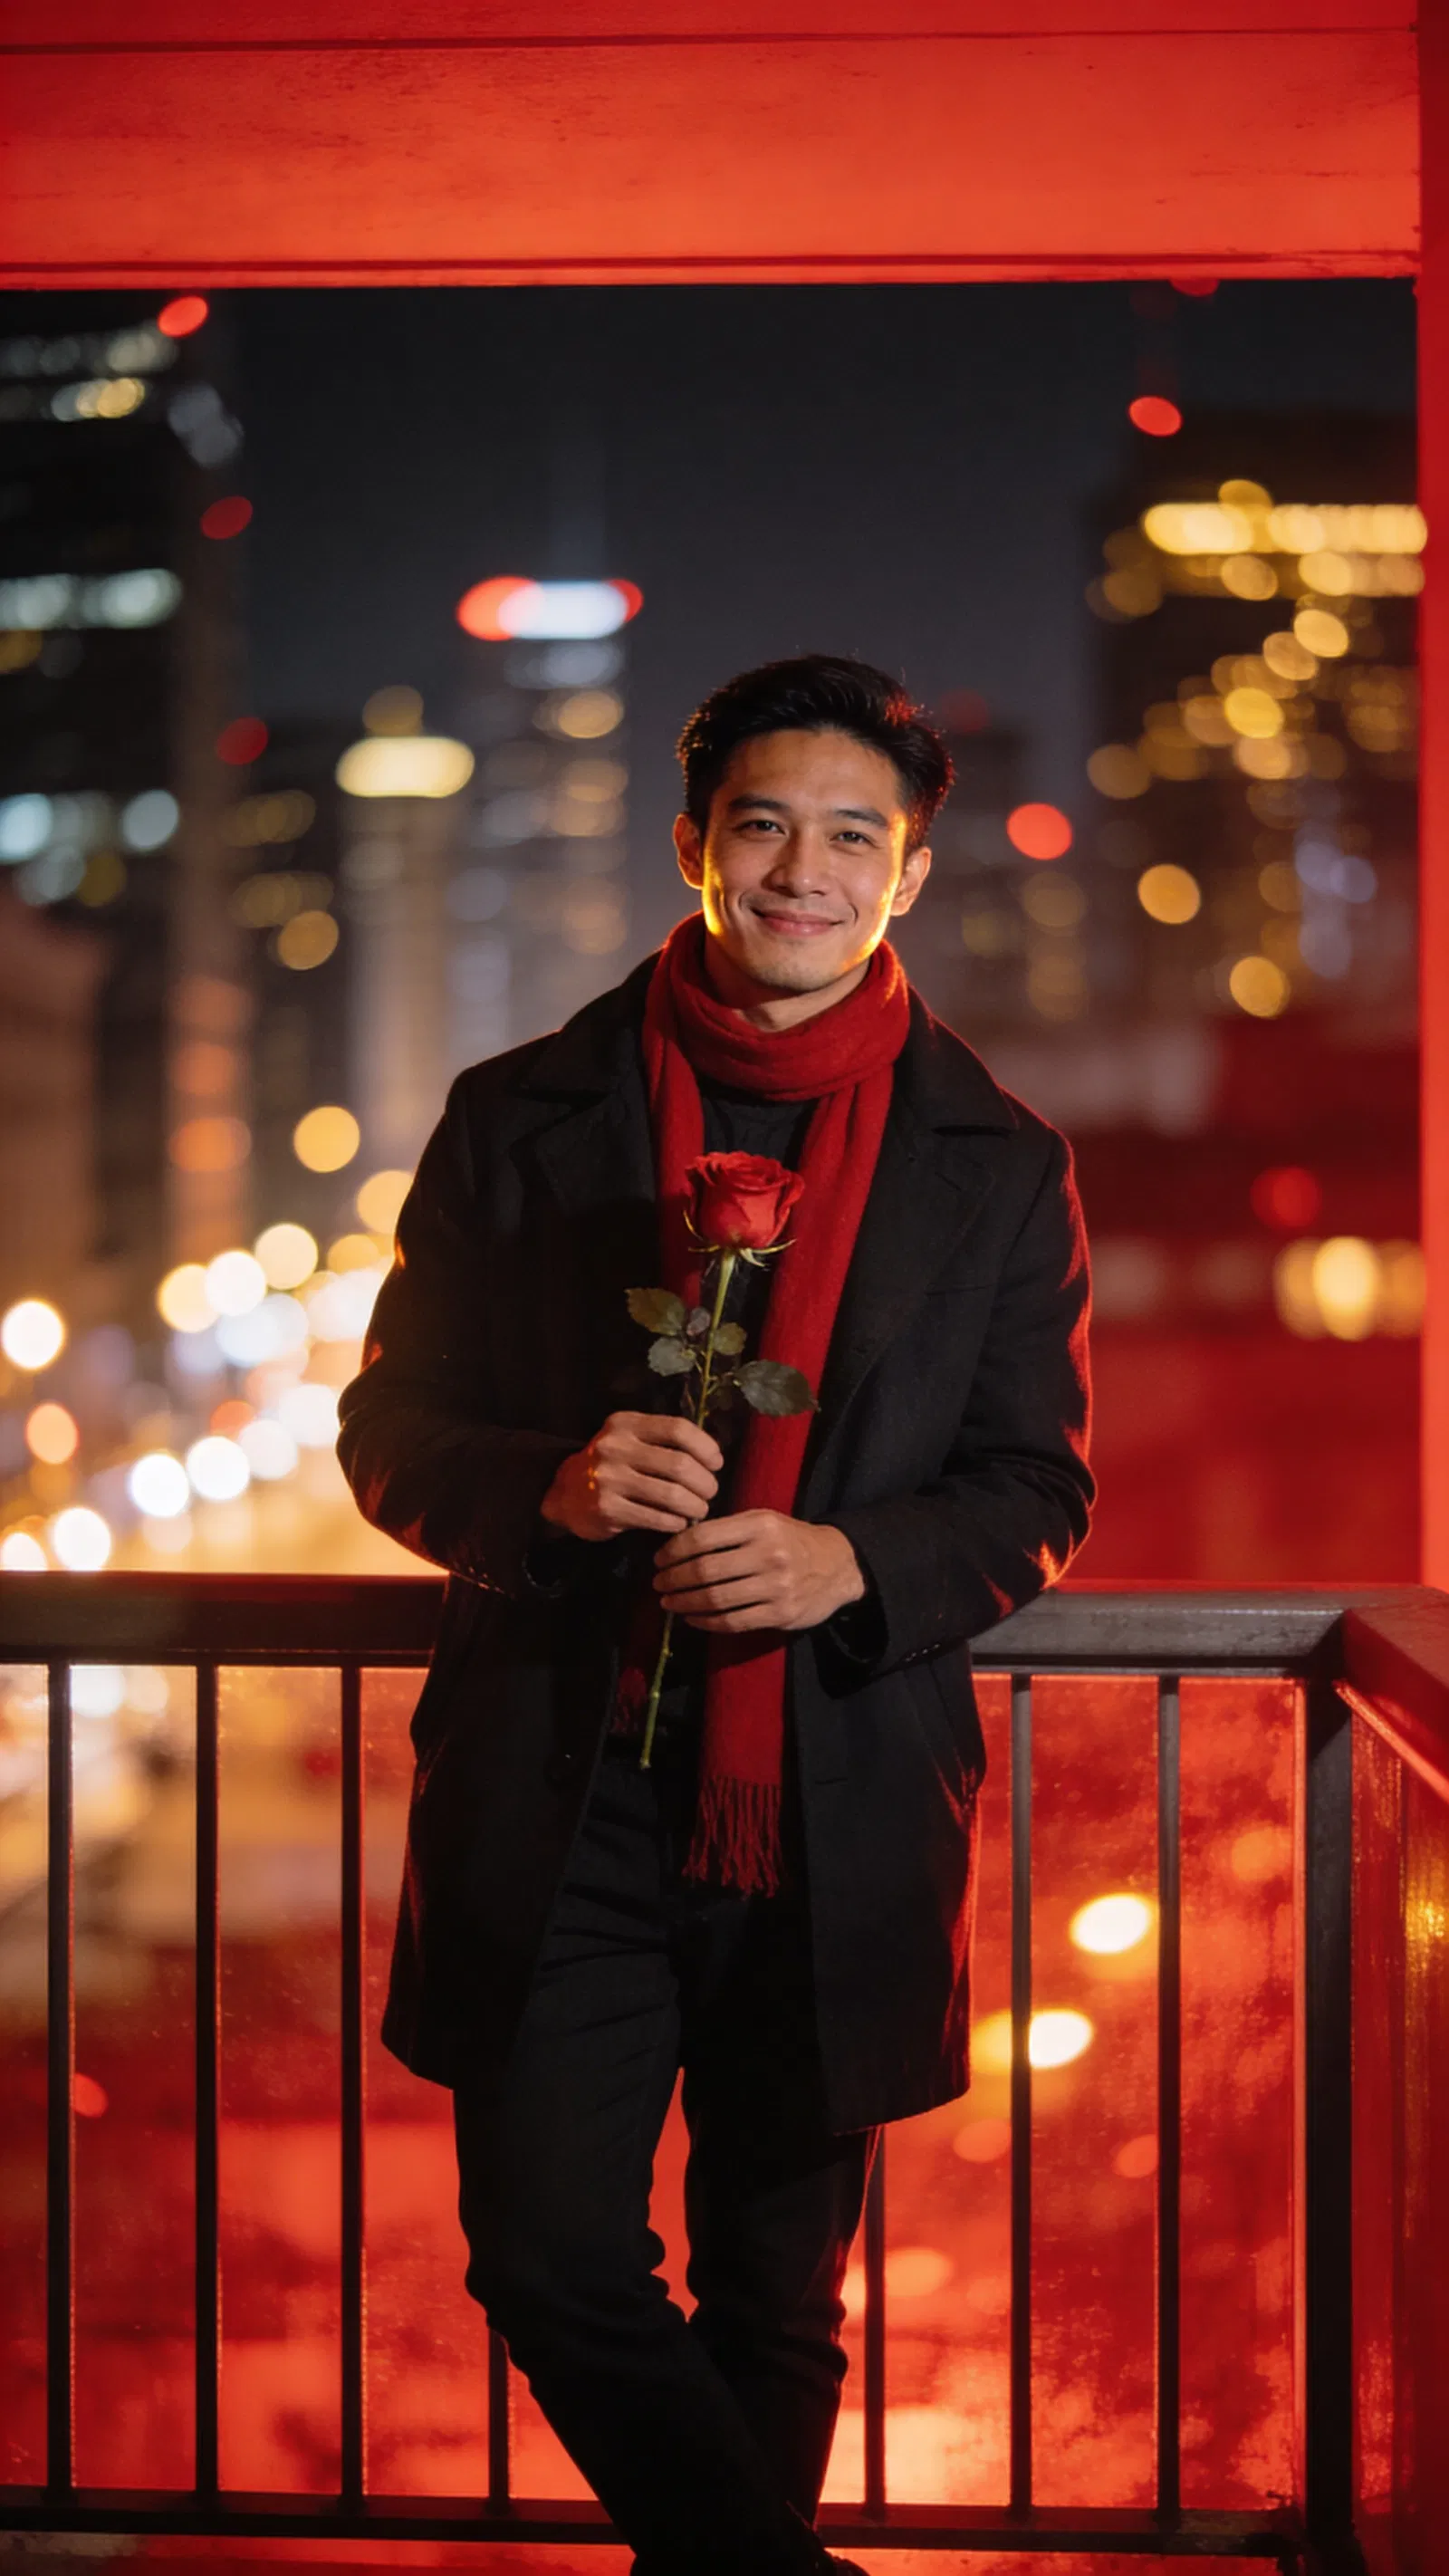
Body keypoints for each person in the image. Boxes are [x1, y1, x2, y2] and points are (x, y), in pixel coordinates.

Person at [338, 653, 1094, 2575]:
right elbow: (386, 1427)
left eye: (854, 834)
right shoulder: (519, 1116)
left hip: (832, 1802)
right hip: (560, 1782)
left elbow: (1036, 1487)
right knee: (546, 2252)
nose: (802, 870)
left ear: (908, 875)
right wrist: (549, 1488)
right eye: (761, 825)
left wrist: (855, 1564)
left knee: (779, 2298)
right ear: (692, 848)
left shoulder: (998, 1164)